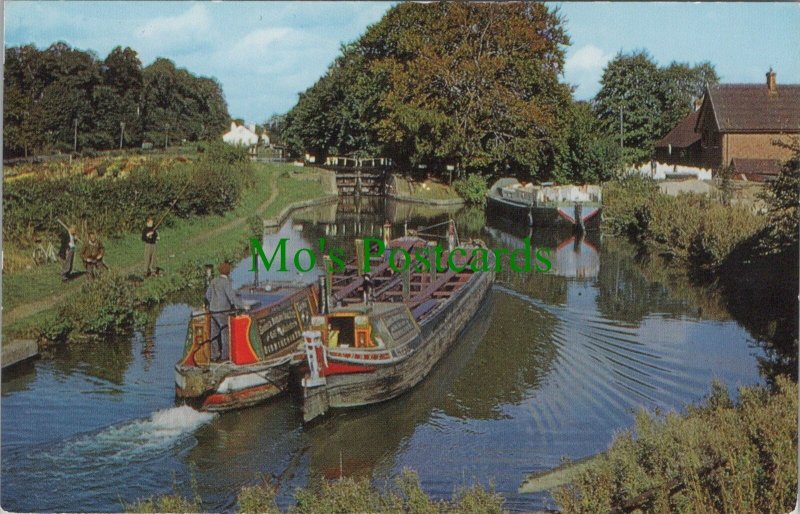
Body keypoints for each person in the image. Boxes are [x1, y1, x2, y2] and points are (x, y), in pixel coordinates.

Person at [205, 262, 244, 362]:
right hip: (223, 311)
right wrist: (242, 306)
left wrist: (210, 305)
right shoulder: (226, 282)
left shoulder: (214, 281)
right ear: (228, 272)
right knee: (225, 333)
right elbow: (231, 297)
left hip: (213, 311)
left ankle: (214, 355)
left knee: (214, 334)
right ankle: (225, 356)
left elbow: (207, 296)